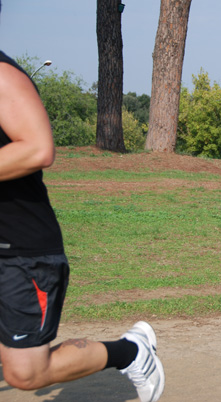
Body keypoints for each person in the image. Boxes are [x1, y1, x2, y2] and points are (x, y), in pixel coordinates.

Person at [0, 5, 165, 400]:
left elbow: (37, 148)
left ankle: (130, 352)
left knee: (26, 373)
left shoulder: (2, 76)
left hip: (18, 252)